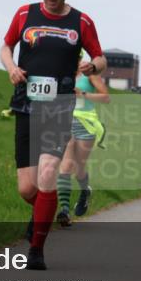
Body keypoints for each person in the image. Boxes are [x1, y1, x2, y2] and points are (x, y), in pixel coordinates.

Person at [1, 0, 105, 270]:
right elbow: (7, 46)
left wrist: (93, 66)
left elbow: (100, 57)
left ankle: (36, 249)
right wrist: (12, 69)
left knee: (48, 174)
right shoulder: (24, 14)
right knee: (27, 188)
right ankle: (42, 213)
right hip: (26, 104)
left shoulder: (81, 21)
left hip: (59, 106)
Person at [56, 60, 110, 226]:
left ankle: (85, 192)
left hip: (86, 124)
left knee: (79, 168)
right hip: (65, 121)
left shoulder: (90, 73)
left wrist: (83, 95)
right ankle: (64, 211)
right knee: (65, 166)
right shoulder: (61, 71)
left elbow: (106, 97)